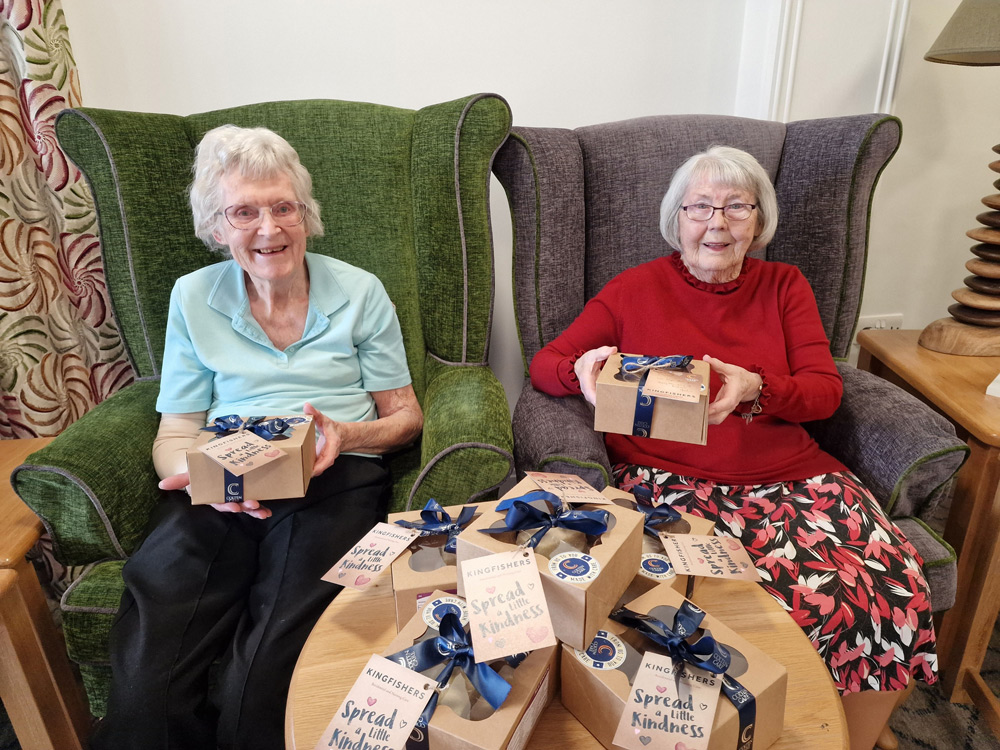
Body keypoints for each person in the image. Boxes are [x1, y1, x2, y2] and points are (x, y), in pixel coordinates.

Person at [529, 145, 934, 750]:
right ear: (677, 218)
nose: (716, 222)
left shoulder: (784, 285)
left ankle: (844, 735)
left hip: (793, 478)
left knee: (885, 584)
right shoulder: (633, 288)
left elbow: (824, 392)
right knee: (726, 612)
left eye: (736, 207)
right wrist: (582, 373)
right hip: (668, 479)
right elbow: (546, 363)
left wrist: (758, 389)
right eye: (700, 207)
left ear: (758, 220)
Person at [90, 125, 423, 750]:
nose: (269, 230)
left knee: (274, 657)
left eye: (283, 207)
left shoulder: (360, 292)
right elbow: (177, 430)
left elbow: (405, 416)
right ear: (218, 228)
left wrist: (346, 434)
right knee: (152, 650)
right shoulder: (192, 297)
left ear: (306, 215)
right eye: (244, 212)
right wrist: (197, 480)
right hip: (223, 476)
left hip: (336, 474)